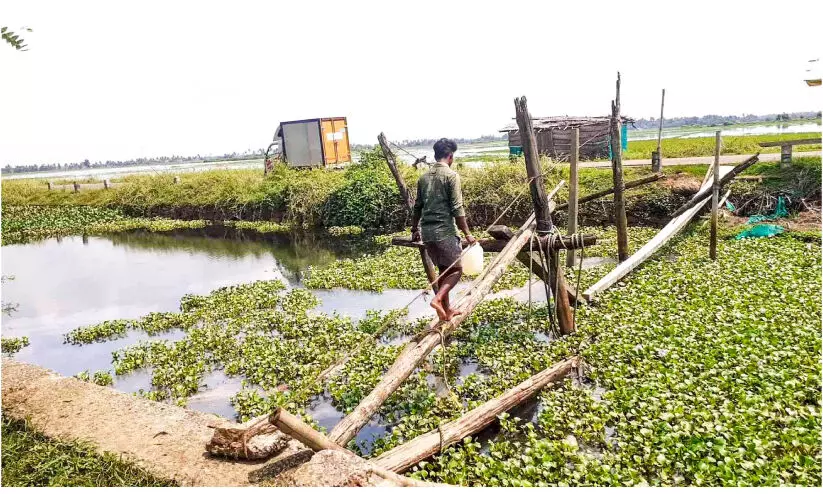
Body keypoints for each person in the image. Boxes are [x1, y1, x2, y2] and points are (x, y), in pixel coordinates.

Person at [411, 138, 476, 321]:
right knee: (456, 270)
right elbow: (457, 208)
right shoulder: (451, 176)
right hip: (445, 232)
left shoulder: (423, 177)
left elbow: (417, 207)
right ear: (450, 156)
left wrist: (414, 229)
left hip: (427, 233)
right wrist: (467, 234)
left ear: (435, 155)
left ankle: (447, 311)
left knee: (443, 270)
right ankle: (438, 299)